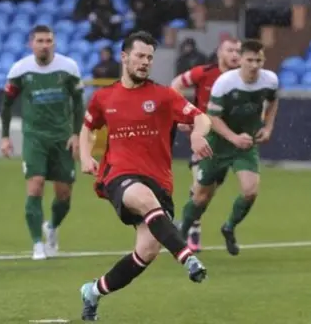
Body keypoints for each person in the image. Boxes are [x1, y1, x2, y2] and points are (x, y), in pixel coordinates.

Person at [78, 31, 212, 321]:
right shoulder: (104, 97)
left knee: (147, 251)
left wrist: (197, 135)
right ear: (124, 57)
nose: (145, 62)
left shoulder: (163, 96)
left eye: (150, 57)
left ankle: (93, 291)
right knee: (141, 196)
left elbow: (201, 117)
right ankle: (188, 258)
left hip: (159, 181)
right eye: (139, 55)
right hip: (119, 176)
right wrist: (85, 156)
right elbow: (88, 127)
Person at [180, 40, 279, 256]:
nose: (254, 65)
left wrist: (268, 127)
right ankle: (181, 233)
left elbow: (273, 102)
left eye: (258, 60)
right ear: (242, 60)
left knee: (250, 191)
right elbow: (213, 117)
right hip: (218, 144)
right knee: (200, 197)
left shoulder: (270, 80)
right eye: (250, 60)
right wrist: (233, 138)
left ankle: (229, 227)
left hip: (245, 145)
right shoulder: (225, 83)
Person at [0, 25, 84, 261]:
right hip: (35, 137)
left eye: (48, 40)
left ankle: (52, 227)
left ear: (54, 44)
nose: (44, 44)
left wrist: (77, 134)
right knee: (35, 185)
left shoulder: (69, 68)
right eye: (40, 40)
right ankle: (37, 244)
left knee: (64, 194)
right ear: (31, 44)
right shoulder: (20, 69)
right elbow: (6, 104)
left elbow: (78, 104)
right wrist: (5, 136)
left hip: (63, 138)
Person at [170, 38, 241, 252]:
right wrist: (184, 114)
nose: (235, 54)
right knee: (199, 185)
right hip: (203, 137)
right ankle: (193, 234)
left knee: (207, 193)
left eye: (238, 50)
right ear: (220, 52)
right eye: (230, 50)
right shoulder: (204, 72)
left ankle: (186, 222)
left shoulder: (242, 79)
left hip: (227, 143)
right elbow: (176, 85)